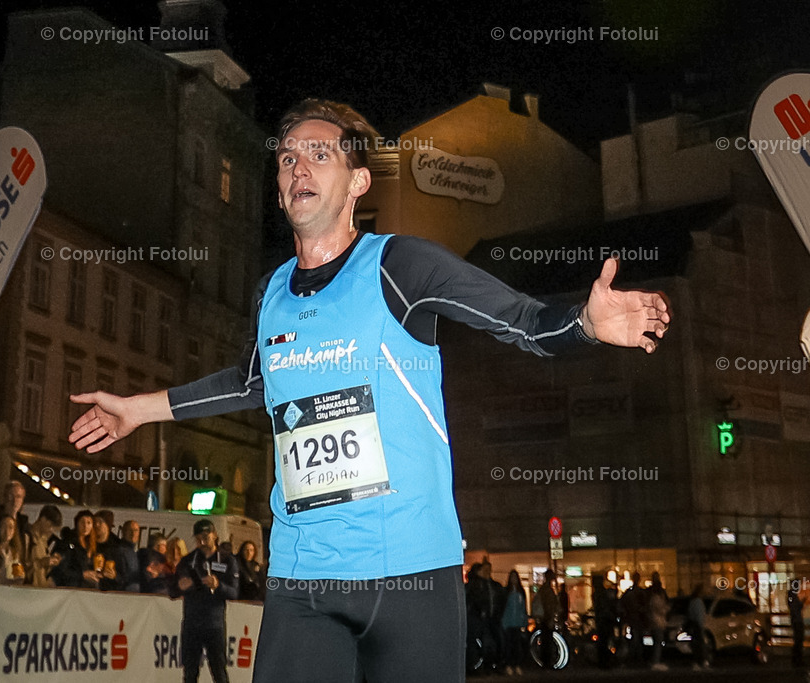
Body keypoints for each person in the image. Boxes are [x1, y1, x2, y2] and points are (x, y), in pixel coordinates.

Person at [67, 99, 670, 682]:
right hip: (303, 578)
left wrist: (585, 325)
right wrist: (137, 411)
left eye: (318, 156)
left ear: (357, 183)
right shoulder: (270, 292)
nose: (297, 166)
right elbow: (255, 381)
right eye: (285, 159)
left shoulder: (400, 266)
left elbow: (521, 321)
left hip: (408, 576)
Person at [176, 518, 239, 683]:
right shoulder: (188, 560)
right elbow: (175, 587)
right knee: (190, 671)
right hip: (192, 623)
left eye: (206, 535)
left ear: (215, 535)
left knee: (218, 670)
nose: (202, 540)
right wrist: (185, 585)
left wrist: (219, 585)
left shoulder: (226, 560)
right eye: (198, 537)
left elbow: (234, 592)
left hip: (214, 624)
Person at [51, 509, 100, 588]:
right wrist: (82, 574)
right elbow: (60, 570)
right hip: (70, 588)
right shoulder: (67, 543)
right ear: (77, 524)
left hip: (87, 589)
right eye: (82, 522)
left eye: (89, 523)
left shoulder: (93, 545)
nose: (85, 526)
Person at [94, 509, 140, 592]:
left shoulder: (118, 547)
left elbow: (126, 576)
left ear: (107, 525)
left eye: (100, 522)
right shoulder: (88, 542)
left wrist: (115, 576)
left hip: (111, 589)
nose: (96, 525)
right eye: (95, 522)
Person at [25, 504, 63, 588]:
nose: (51, 530)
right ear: (43, 519)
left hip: (40, 589)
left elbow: (43, 570)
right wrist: (42, 562)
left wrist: (51, 562)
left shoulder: (43, 541)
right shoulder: (28, 536)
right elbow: (22, 568)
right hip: (28, 589)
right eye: (50, 526)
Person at [500, 569, 528, 676]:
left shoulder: (521, 592)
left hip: (517, 622)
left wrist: (524, 621)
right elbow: (504, 607)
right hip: (508, 622)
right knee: (509, 645)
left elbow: (523, 608)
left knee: (517, 646)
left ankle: (516, 665)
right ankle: (509, 665)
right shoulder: (506, 591)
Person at [534, 569, 562, 669]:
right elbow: (549, 606)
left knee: (546, 640)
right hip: (547, 618)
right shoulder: (548, 590)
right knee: (547, 641)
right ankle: (547, 662)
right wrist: (551, 617)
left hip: (544, 618)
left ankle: (546, 662)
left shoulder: (544, 589)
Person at [592, 570, 619, 669]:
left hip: (603, 621)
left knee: (603, 642)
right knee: (605, 641)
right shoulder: (602, 593)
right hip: (605, 620)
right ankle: (606, 661)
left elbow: (602, 607)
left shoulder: (599, 593)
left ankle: (604, 661)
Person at [621, 572, 647, 665]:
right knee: (637, 639)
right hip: (636, 619)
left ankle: (635, 659)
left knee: (636, 639)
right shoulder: (639, 592)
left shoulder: (632, 592)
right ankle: (637, 659)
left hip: (635, 619)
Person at [0, 514, 26, 584]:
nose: (7, 531)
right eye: (4, 526)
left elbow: (19, 577)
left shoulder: (14, 552)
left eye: (10, 527)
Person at [646, 573, 670, 671]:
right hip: (658, 622)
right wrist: (667, 608)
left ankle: (655, 660)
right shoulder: (657, 598)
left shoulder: (651, 597)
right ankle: (655, 661)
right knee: (658, 643)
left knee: (657, 643)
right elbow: (661, 609)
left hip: (655, 622)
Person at [687, 584, 708, 670]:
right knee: (700, 645)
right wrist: (701, 626)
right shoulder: (698, 602)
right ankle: (700, 662)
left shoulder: (692, 601)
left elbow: (690, 613)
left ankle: (697, 662)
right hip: (697, 626)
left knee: (695, 645)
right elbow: (699, 615)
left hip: (693, 624)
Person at [789, 580, 805, 668]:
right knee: (798, 640)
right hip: (797, 621)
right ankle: (797, 660)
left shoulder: (792, 595)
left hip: (796, 620)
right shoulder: (793, 595)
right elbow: (796, 607)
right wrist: (801, 603)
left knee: (798, 640)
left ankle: (796, 659)